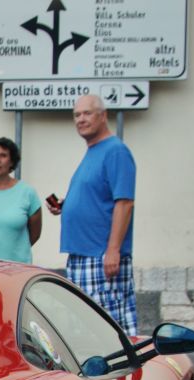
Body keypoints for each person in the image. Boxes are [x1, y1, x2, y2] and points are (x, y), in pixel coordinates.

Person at [46, 94, 138, 334]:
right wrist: (67, 206)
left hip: (100, 257)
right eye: (77, 115)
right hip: (82, 255)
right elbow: (99, 197)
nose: (81, 119)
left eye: (87, 113)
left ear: (103, 116)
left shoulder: (115, 151)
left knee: (110, 329)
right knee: (86, 331)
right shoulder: (93, 152)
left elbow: (125, 202)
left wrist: (113, 250)